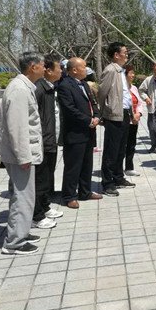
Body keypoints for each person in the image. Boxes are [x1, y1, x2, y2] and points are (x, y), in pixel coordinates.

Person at [0, 52, 46, 255]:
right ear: (33, 67)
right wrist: (23, 156)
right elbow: (17, 127)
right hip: (20, 155)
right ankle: (15, 242)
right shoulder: (19, 89)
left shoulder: (24, 86)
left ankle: (20, 231)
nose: (45, 68)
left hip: (22, 153)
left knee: (23, 195)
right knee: (23, 196)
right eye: (42, 65)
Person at [57, 58, 103, 209]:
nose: (86, 69)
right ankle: (69, 196)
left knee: (87, 164)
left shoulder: (84, 84)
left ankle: (85, 191)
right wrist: (88, 120)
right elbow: (69, 109)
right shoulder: (65, 85)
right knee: (73, 166)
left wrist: (97, 116)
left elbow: (92, 103)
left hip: (88, 131)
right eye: (84, 67)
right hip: (75, 132)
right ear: (74, 70)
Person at [98, 42, 135, 197]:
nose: (126, 55)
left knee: (121, 149)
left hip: (124, 114)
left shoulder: (121, 70)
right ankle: (107, 183)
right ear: (116, 55)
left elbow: (125, 94)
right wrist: (104, 112)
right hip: (114, 115)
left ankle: (118, 177)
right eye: (124, 52)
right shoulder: (110, 70)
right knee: (111, 150)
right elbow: (102, 93)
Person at [32, 54, 63, 228]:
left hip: (51, 139)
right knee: (40, 179)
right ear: (49, 71)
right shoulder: (39, 89)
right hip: (43, 141)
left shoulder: (50, 87)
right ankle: (36, 215)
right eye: (59, 68)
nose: (61, 71)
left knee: (47, 177)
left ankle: (45, 206)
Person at [138, 62, 156, 153]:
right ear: (153, 71)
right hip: (153, 108)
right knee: (152, 128)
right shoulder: (148, 79)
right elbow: (141, 90)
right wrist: (146, 98)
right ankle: (153, 144)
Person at [124, 65, 144, 177]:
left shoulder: (134, 88)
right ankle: (116, 168)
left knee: (131, 144)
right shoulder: (121, 88)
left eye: (133, 73)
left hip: (134, 121)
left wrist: (138, 114)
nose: (133, 75)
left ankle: (129, 167)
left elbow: (140, 103)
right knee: (121, 145)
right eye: (130, 73)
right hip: (124, 120)